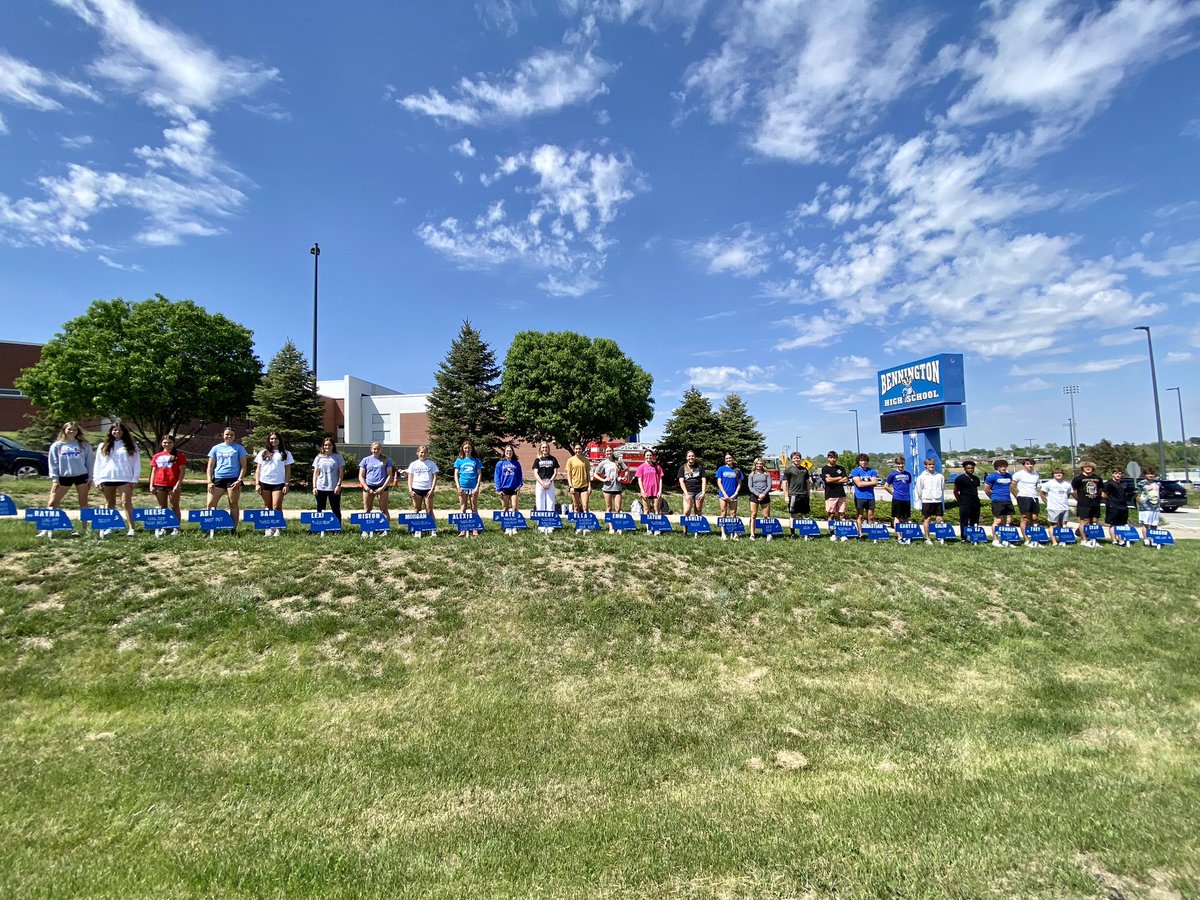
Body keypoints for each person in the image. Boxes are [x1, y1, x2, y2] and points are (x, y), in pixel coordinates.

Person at [45, 421, 93, 536]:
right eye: (69, 429)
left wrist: (91, 477)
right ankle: (47, 528)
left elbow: (90, 462)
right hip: (63, 477)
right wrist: (55, 479)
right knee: (52, 502)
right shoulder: (57, 445)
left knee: (83, 503)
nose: (72, 431)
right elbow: (53, 463)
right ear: (64, 430)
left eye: (74, 430)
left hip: (81, 476)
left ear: (78, 432)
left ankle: (84, 529)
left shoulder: (84, 445)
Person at [94, 422, 141, 536]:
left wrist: (134, 478)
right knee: (110, 503)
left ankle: (131, 529)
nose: (117, 432)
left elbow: (136, 463)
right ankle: (111, 527)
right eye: (114, 430)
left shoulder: (131, 445)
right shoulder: (102, 446)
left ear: (124, 432)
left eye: (119, 430)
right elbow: (98, 464)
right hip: (107, 478)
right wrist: (97, 479)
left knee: (126, 503)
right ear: (110, 431)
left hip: (125, 478)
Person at [207, 427, 249, 531]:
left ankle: (233, 529)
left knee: (233, 504)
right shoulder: (216, 448)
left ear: (234, 436)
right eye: (227, 434)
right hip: (218, 478)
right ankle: (210, 528)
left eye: (231, 435)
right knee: (210, 504)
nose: (229, 436)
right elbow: (210, 467)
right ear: (223, 435)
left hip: (233, 479)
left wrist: (239, 480)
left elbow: (244, 466)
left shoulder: (239, 448)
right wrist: (209, 481)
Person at [254, 432, 293, 537]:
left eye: (275, 438)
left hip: (279, 483)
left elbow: (288, 469)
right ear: (268, 440)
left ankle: (278, 527)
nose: (273, 440)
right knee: (268, 506)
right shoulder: (263, 452)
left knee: (276, 506)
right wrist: (257, 483)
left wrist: (286, 484)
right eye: (271, 439)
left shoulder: (286, 453)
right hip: (264, 482)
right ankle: (269, 527)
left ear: (279, 440)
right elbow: (258, 469)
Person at [149, 434, 186, 536]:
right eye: (165, 442)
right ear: (161, 443)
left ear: (173, 443)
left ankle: (176, 527)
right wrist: (151, 485)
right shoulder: (157, 456)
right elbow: (153, 471)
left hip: (173, 484)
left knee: (175, 506)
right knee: (163, 507)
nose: (167, 444)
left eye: (170, 442)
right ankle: (164, 527)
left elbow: (182, 471)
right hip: (159, 484)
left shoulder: (179, 455)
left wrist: (178, 484)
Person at [358, 441, 394, 530]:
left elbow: (389, 475)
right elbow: (361, 476)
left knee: (384, 509)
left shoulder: (386, 460)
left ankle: (385, 529)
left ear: (381, 450)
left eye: (378, 449)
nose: (376, 451)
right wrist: (366, 488)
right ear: (371, 449)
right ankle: (366, 529)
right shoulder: (365, 460)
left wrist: (383, 488)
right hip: (368, 487)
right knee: (367, 510)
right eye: (374, 449)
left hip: (382, 486)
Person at [1011, 458, 1043, 548]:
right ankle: (1026, 539)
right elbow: (1012, 487)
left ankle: (1035, 539)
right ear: (1024, 465)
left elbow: (1036, 486)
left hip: (1034, 497)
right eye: (1028, 464)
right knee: (1025, 518)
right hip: (1023, 497)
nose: (1030, 465)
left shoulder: (1036, 474)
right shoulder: (1018, 474)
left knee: (1034, 518)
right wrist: (1018, 497)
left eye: (1032, 464)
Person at [453, 440, 483, 536]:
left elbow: (479, 474)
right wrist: (458, 486)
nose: (467, 450)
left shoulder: (476, 460)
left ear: (472, 449)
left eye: (469, 448)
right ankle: (463, 528)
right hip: (462, 487)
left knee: (474, 507)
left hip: (473, 487)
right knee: (463, 507)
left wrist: (477, 487)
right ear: (463, 449)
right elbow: (456, 474)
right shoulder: (459, 460)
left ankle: (475, 528)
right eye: (465, 448)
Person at [311, 437, 345, 522]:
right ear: (323, 446)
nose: (327, 446)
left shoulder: (338, 457)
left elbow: (341, 472)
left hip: (333, 487)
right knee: (320, 509)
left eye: (329, 445)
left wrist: (338, 485)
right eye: (325, 445)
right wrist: (314, 486)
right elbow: (316, 473)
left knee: (336, 509)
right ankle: (320, 528)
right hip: (320, 487)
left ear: (333, 446)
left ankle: (337, 528)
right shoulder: (318, 457)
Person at [1072, 461, 1104, 547]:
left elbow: (1100, 489)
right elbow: (1074, 491)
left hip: (1095, 503)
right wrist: (1079, 499)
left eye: (1089, 467)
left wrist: (1098, 497)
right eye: (1086, 467)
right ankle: (1084, 540)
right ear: (1082, 468)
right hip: (1083, 503)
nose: (1088, 468)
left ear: (1093, 468)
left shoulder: (1097, 478)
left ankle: (1093, 539)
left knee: (1094, 521)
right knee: (1084, 521)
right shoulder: (1078, 478)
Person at [984, 459, 1015, 547]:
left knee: (1006, 521)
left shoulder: (1009, 476)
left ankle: (1005, 539)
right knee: (998, 521)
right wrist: (993, 497)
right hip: (997, 500)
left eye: (1005, 466)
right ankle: (995, 540)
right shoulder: (992, 477)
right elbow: (986, 489)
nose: (1003, 468)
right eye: (1001, 466)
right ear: (997, 467)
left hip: (1007, 500)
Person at [913, 458, 945, 544]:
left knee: (940, 519)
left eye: (932, 464)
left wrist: (938, 496)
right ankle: (927, 538)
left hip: (937, 501)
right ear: (925, 466)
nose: (931, 466)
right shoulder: (921, 477)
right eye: (929, 464)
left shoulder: (940, 476)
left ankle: (940, 537)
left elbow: (942, 488)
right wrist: (920, 500)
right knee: (927, 519)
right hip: (926, 501)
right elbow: (918, 489)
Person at [494, 444, 523, 533]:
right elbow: (497, 476)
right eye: (507, 451)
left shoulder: (516, 463)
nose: (509, 453)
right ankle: (506, 526)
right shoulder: (500, 463)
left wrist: (519, 485)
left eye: (510, 451)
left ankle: (514, 525)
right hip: (504, 488)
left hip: (514, 488)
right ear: (504, 452)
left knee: (514, 507)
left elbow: (520, 475)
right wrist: (498, 489)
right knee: (505, 507)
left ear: (512, 452)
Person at [1040, 467, 1073, 547]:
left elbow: (1068, 494)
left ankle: (1062, 541)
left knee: (1063, 525)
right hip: (1053, 508)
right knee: (1053, 525)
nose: (1059, 474)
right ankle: (1054, 542)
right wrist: (1047, 503)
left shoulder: (1067, 484)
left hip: (1065, 508)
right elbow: (1042, 494)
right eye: (1056, 473)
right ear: (1053, 475)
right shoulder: (1049, 483)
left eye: (1060, 473)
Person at [715, 453, 743, 541]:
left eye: (730, 458)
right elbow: (719, 482)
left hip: (733, 495)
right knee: (723, 513)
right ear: (725, 459)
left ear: (733, 459)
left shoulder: (737, 470)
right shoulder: (721, 469)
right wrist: (724, 493)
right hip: (723, 495)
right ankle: (723, 533)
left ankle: (734, 533)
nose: (728, 460)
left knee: (733, 513)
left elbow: (739, 483)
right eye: (727, 458)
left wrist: (736, 493)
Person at [407, 445, 439, 522]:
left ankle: (432, 529)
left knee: (429, 510)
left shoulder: (432, 464)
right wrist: (410, 490)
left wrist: (432, 489)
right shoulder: (413, 464)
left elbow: (435, 477)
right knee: (416, 509)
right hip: (416, 489)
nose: (423, 454)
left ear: (427, 453)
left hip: (428, 490)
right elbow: (410, 478)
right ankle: (416, 528)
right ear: (417, 453)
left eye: (425, 453)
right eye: (421, 452)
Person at [821, 451, 849, 540]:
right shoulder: (825, 469)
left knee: (842, 514)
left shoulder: (841, 468)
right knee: (831, 514)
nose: (833, 459)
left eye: (834, 457)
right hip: (830, 495)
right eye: (831, 457)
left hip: (841, 494)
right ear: (828, 458)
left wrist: (834, 479)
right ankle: (832, 533)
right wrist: (838, 478)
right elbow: (828, 480)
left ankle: (842, 534)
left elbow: (845, 479)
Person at [849, 453, 879, 534]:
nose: (863, 462)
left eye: (865, 461)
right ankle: (860, 533)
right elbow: (859, 484)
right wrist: (870, 482)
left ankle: (871, 534)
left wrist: (863, 483)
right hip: (860, 496)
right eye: (861, 461)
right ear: (858, 462)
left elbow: (875, 482)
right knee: (860, 516)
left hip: (870, 496)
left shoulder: (872, 471)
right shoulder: (855, 471)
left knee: (871, 517)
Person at [781, 452, 810, 535]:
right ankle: (792, 533)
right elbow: (784, 483)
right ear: (792, 459)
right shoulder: (788, 470)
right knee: (793, 514)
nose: (796, 459)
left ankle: (806, 532)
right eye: (794, 458)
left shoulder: (804, 470)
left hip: (804, 494)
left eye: (798, 458)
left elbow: (807, 483)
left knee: (805, 514)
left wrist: (808, 494)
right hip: (793, 494)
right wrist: (786, 496)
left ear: (800, 459)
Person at [532, 442, 559, 528]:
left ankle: (550, 524)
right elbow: (535, 473)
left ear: (548, 448)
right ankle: (541, 524)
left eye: (546, 447)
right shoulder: (537, 460)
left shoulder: (553, 459)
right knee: (540, 502)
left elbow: (555, 472)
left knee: (550, 503)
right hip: (540, 482)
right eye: (543, 448)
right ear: (540, 449)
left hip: (550, 482)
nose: (544, 449)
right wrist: (542, 482)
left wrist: (550, 481)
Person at [953, 460, 982, 541]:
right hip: (965, 503)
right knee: (964, 521)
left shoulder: (976, 478)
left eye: (972, 468)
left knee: (975, 521)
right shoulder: (960, 479)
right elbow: (955, 491)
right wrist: (960, 501)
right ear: (965, 469)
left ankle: (974, 537)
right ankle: (964, 538)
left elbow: (975, 490)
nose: (970, 470)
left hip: (975, 503)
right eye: (968, 468)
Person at [1102, 467, 1131, 547]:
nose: (1118, 475)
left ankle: (1121, 540)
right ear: (1113, 474)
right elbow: (1103, 494)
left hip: (1123, 507)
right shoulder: (1109, 483)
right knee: (1113, 524)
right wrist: (1109, 501)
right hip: (1113, 506)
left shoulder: (1124, 484)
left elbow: (1127, 494)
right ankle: (1114, 540)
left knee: (1122, 524)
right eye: (1116, 473)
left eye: (1119, 474)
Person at [884, 457, 912, 536]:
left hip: (906, 498)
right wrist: (893, 492)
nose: (901, 465)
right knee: (897, 517)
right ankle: (899, 536)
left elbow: (908, 484)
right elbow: (886, 486)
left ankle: (906, 535)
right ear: (896, 464)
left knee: (906, 518)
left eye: (902, 463)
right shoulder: (893, 474)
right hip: (897, 498)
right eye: (899, 464)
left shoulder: (908, 474)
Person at [746, 456, 772, 540]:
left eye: (760, 463)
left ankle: (768, 533)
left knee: (766, 516)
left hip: (765, 496)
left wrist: (763, 494)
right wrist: (758, 494)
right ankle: (752, 534)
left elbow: (769, 486)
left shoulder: (767, 474)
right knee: (753, 515)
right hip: (754, 496)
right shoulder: (751, 475)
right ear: (755, 464)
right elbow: (750, 487)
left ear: (763, 464)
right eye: (757, 463)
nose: (759, 465)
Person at [1136, 466, 1162, 546]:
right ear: (1145, 475)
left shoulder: (1157, 483)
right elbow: (1138, 495)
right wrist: (1140, 502)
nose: (1150, 475)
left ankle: (1153, 539)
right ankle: (1146, 539)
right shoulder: (1141, 483)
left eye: (1152, 474)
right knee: (1146, 524)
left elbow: (1158, 494)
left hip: (1155, 506)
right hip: (1145, 506)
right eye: (1148, 474)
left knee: (1154, 524)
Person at [677, 449, 707, 516]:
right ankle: (685, 526)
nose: (691, 457)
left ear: (695, 457)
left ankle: (698, 526)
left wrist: (703, 493)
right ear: (687, 458)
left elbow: (704, 480)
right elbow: (681, 482)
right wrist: (686, 494)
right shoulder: (683, 468)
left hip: (698, 492)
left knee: (698, 510)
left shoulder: (700, 467)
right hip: (688, 491)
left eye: (692, 456)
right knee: (686, 511)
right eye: (689, 456)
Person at [635, 450, 664, 515]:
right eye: (647, 455)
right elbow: (639, 480)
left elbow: (660, 479)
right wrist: (642, 491)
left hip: (656, 491)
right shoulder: (641, 467)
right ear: (644, 456)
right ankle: (647, 525)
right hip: (646, 491)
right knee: (646, 509)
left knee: (656, 509)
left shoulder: (657, 467)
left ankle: (656, 524)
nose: (649, 457)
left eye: (650, 455)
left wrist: (660, 491)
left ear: (653, 456)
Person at [566, 443, 591, 513]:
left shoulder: (586, 460)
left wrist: (589, 486)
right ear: (574, 450)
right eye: (576, 449)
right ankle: (576, 522)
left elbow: (588, 474)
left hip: (584, 486)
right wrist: (570, 486)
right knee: (576, 506)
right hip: (574, 486)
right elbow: (569, 474)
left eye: (579, 449)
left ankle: (586, 522)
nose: (578, 450)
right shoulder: (570, 460)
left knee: (585, 506)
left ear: (582, 450)